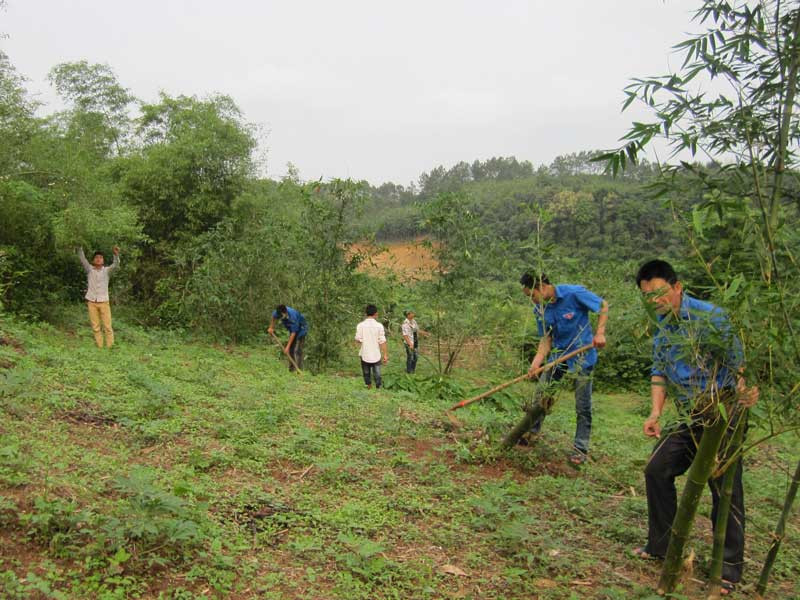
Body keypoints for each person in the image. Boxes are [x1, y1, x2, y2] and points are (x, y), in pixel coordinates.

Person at [634, 259, 758, 595]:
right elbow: (659, 373)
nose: (655, 301)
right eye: (648, 297)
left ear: (677, 287)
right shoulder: (661, 327)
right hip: (689, 415)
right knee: (656, 469)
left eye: (659, 293)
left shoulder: (710, 317)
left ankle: (728, 568)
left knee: (725, 486)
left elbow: (738, 364)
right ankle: (661, 546)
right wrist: (655, 413)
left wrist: (743, 398)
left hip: (723, 413)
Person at [520, 272, 608, 465]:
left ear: (542, 287)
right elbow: (546, 340)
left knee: (582, 404)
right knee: (541, 394)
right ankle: (531, 433)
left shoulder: (573, 293)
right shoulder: (540, 309)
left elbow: (602, 306)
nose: (532, 301)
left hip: (582, 356)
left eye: (531, 295)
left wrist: (600, 333)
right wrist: (536, 363)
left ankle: (580, 448)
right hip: (558, 357)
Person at [77, 246, 120, 348]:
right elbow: (82, 259)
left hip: (104, 301)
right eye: (96, 257)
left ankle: (110, 347)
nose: (98, 259)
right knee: (95, 327)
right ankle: (100, 347)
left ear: (103, 260)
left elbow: (116, 265)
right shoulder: (89, 270)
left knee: (107, 326)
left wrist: (116, 255)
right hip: (91, 301)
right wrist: (79, 246)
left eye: (100, 257)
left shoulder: (107, 271)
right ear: (93, 260)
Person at [355, 304, 388, 389]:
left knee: (366, 372)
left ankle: (368, 386)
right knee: (377, 373)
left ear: (366, 314)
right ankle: (378, 388)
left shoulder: (360, 325)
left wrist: (363, 341)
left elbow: (358, 339)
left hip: (364, 353)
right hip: (376, 353)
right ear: (376, 314)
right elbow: (382, 341)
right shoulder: (379, 326)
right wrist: (385, 355)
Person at [268, 304, 307, 371]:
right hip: (292, 330)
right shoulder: (278, 312)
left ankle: (299, 370)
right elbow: (274, 317)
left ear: (285, 313)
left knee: (297, 350)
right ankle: (292, 369)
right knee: (291, 350)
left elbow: (293, 333)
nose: (280, 318)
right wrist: (271, 327)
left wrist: (287, 347)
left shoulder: (293, 316)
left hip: (301, 329)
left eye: (281, 316)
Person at [401, 310, 427, 374]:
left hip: (415, 341)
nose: (413, 314)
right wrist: (410, 344)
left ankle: (412, 369)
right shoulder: (405, 324)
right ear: (408, 315)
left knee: (416, 357)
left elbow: (417, 330)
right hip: (409, 343)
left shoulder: (414, 321)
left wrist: (425, 333)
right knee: (410, 356)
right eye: (412, 313)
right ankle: (409, 371)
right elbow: (405, 335)